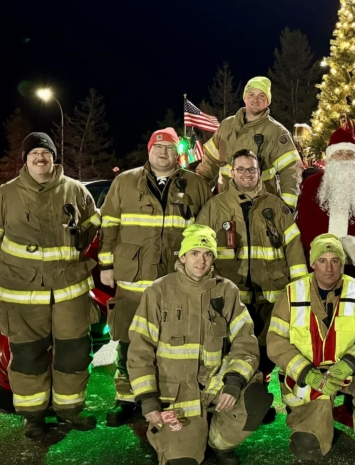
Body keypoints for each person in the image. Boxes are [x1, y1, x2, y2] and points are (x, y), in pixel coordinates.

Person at [0, 132, 101, 437]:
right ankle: (32, 417)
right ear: (26, 160)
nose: (40, 158)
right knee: (27, 354)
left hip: (69, 289)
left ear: (53, 157)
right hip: (21, 292)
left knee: (74, 353)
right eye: (33, 154)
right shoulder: (5, 195)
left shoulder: (75, 191)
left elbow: (92, 226)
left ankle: (70, 411)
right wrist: (16, 264)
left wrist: (75, 251)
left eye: (45, 153)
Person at [127, 224, 272, 465]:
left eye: (207, 254)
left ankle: (217, 442)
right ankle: (189, 439)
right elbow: (139, 349)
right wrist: (148, 399)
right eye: (194, 253)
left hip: (215, 385)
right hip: (177, 396)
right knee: (183, 462)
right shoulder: (158, 292)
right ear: (182, 256)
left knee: (256, 399)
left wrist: (234, 381)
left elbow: (246, 342)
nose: (201, 260)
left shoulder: (226, 291)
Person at [98, 127, 212, 426]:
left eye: (169, 149)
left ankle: (163, 396)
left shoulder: (196, 185)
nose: (163, 153)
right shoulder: (124, 182)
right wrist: (106, 264)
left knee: (173, 342)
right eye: (157, 148)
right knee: (128, 341)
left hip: (175, 282)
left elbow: (205, 233)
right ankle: (125, 399)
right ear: (149, 151)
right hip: (133, 280)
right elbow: (108, 224)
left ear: (178, 153)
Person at [266, 234, 355, 465]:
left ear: (342, 263)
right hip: (309, 376)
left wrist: (349, 364)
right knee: (307, 448)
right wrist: (307, 373)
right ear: (312, 263)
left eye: (335, 260)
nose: (329, 267)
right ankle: (320, 430)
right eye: (322, 260)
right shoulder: (291, 294)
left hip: (348, 370)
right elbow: (275, 343)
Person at [196, 149, 307, 390]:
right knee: (238, 347)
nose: (247, 174)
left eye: (252, 169)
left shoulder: (276, 206)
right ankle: (247, 394)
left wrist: (299, 290)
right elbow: (199, 247)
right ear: (232, 172)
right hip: (232, 297)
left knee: (270, 348)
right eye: (242, 169)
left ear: (260, 173)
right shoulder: (215, 207)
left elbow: (294, 248)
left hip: (272, 294)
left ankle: (263, 391)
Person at [195, 76, 303, 210]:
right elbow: (209, 164)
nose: (255, 99)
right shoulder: (226, 126)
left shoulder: (277, 132)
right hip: (224, 205)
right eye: (251, 94)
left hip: (261, 208)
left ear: (268, 101)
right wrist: (196, 192)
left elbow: (291, 171)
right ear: (244, 97)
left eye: (261, 96)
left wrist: (286, 208)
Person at [296, 127, 355, 285]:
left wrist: (351, 250)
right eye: (339, 153)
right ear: (330, 157)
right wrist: (325, 252)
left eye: (349, 154)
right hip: (319, 266)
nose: (344, 158)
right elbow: (305, 223)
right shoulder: (312, 184)